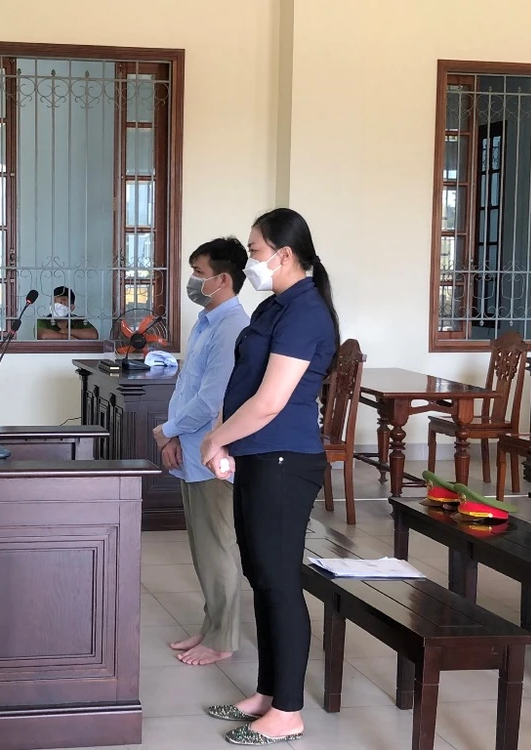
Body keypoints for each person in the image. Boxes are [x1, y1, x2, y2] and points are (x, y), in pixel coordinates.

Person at [200, 209, 340, 746]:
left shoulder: (306, 312)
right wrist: (222, 435)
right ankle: (267, 693)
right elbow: (242, 381)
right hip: (259, 455)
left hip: (285, 459)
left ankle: (288, 711)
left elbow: (271, 400)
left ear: (284, 254)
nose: (251, 260)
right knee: (261, 576)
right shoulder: (273, 305)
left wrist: (216, 440)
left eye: (256, 251)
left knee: (279, 581)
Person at [151, 237, 250, 667]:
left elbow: (212, 400)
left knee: (218, 547)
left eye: (199, 273)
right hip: (189, 447)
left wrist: (167, 430)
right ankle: (211, 626)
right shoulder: (206, 321)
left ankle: (223, 638)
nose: (192, 281)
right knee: (202, 547)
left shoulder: (232, 327)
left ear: (222, 279)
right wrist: (172, 436)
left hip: (213, 453)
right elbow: (186, 386)